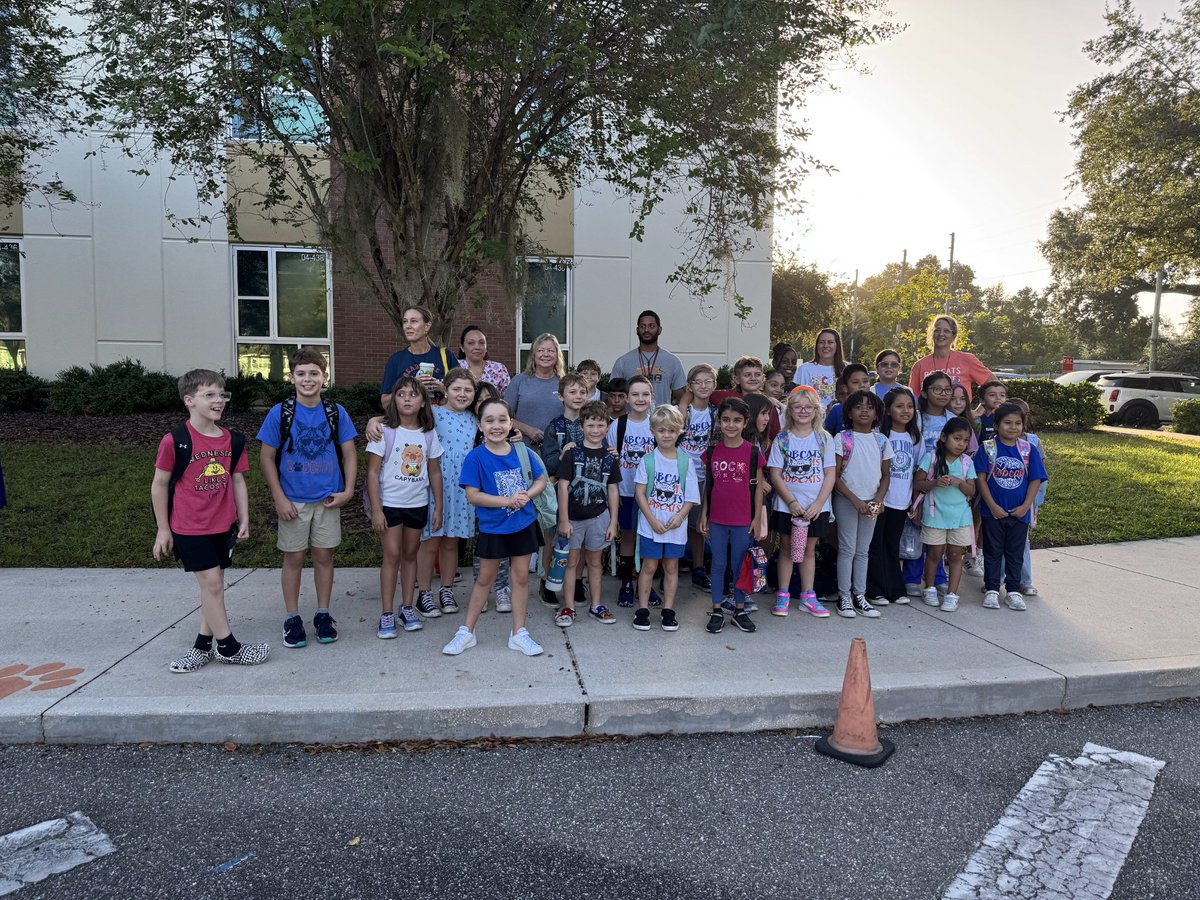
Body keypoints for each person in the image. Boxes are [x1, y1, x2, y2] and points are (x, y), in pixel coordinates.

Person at [151, 369, 268, 672]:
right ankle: (229, 648)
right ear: (189, 400)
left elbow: (238, 480)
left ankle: (202, 647)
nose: (219, 401)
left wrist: (243, 518)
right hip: (189, 527)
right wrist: (163, 529)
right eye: (209, 395)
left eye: (222, 394)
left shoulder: (233, 440)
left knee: (212, 589)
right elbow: (160, 484)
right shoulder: (175, 441)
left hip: (223, 525)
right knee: (213, 585)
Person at [257, 349, 358, 649]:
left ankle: (323, 614)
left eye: (314, 373)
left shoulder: (336, 412)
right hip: (294, 500)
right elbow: (266, 457)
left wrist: (349, 490)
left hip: (328, 498)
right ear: (291, 377)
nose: (308, 379)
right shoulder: (280, 412)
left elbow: (350, 453)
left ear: (325, 377)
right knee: (294, 558)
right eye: (301, 374)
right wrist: (279, 498)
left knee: (324, 557)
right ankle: (292, 617)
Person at [443, 398, 548, 657]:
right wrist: (508, 500)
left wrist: (528, 494)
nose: (496, 425)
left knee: (521, 578)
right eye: (489, 420)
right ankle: (467, 632)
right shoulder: (476, 457)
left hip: (523, 525)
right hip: (493, 528)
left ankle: (519, 633)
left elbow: (541, 480)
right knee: (484, 580)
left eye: (502, 419)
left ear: (511, 423)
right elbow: (473, 495)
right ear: (480, 425)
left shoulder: (522, 451)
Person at [366, 376, 444, 638]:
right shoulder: (384, 431)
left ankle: (407, 607)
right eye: (401, 394)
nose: (407, 399)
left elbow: (435, 473)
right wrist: (377, 510)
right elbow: (373, 473)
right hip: (390, 505)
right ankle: (387, 613)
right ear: (394, 400)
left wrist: (438, 508)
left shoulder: (429, 434)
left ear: (424, 402)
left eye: (413, 394)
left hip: (417, 504)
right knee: (392, 555)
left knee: (411, 555)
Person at [414, 368, 478, 618]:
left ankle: (447, 589)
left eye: (468, 390)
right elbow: (400, 419)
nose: (462, 394)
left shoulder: (475, 419)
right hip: (436, 484)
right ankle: (424, 593)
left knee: (452, 541)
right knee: (431, 540)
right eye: (457, 389)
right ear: (446, 390)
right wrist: (375, 422)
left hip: (462, 486)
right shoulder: (433, 414)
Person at [700, 397, 767, 634]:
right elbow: (710, 484)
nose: (731, 425)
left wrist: (756, 517)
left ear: (745, 422)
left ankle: (739, 610)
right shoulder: (711, 452)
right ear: (719, 421)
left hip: (742, 520)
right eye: (726, 420)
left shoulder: (752, 453)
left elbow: (758, 486)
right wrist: (704, 513)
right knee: (718, 564)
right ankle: (717, 609)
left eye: (737, 420)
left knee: (740, 566)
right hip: (717, 519)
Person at [768, 386, 836, 618]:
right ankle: (783, 594)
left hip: (815, 508)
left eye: (808, 407)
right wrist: (791, 501)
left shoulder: (824, 439)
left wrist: (818, 503)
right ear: (790, 411)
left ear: (816, 411)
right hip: (788, 506)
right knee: (787, 549)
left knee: (809, 550)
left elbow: (830, 473)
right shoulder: (783, 439)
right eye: (798, 407)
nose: (803, 411)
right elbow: (775, 473)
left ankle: (808, 595)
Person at [632, 405, 699, 632]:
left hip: (674, 527)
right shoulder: (648, 460)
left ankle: (668, 610)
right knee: (649, 567)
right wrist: (651, 519)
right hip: (651, 525)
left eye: (671, 430)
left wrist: (680, 516)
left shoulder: (685, 461)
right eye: (661, 430)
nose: (667, 435)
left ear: (679, 430)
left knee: (671, 568)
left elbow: (690, 496)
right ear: (653, 431)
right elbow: (640, 493)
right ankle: (642, 609)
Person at [975, 401, 1047, 612]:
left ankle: (1014, 590)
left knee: (1016, 553)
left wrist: (1026, 506)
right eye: (1007, 423)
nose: (1013, 427)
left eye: (1018, 423)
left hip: (1020, 513)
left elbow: (1036, 479)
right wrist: (991, 505)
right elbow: (980, 479)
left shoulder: (1028, 449)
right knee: (993, 551)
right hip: (993, 512)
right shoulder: (987, 449)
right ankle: (992, 589)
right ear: (996, 425)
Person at [555, 400, 621, 626]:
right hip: (572, 517)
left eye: (600, 425)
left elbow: (613, 489)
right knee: (571, 563)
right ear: (582, 427)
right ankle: (568, 607)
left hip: (599, 516)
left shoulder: (610, 457)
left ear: (607, 427)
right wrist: (563, 519)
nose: (595, 430)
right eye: (590, 425)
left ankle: (596, 605)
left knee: (595, 562)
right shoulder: (573, 454)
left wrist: (613, 521)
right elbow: (562, 486)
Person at [832, 390, 892, 620]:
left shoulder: (881, 440)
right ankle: (844, 597)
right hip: (848, 500)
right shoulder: (842, 439)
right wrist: (855, 500)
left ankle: (860, 596)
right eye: (858, 406)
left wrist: (878, 499)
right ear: (849, 412)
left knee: (863, 550)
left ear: (878, 413)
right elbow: (835, 476)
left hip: (872, 502)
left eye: (869, 406)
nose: (864, 410)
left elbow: (886, 474)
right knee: (847, 548)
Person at [913, 417, 977, 612]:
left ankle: (952, 594)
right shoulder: (931, 458)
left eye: (965, 441)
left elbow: (971, 491)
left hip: (960, 518)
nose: (961, 444)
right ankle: (930, 588)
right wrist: (934, 483)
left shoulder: (967, 462)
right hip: (935, 515)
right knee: (934, 554)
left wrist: (959, 481)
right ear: (943, 437)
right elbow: (918, 483)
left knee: (956, 554)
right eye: (957, 438)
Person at [866, 387, 921, 606]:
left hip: (901, 500)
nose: (906, 411)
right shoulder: (879, 435)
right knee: (875, 544)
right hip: (878, 499)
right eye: (899, 406)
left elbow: (918, 471)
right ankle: (875, 590)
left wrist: (915, 501)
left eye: (909, 406)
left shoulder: (915, 437)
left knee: (892, 545)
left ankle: (895, 589)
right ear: (887, 410)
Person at [538, 370, 590, 603]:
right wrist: (562, 455)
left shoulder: (593, 424)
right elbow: (546, 462)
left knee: (580, 540)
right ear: (561, 397)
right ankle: (547, 583)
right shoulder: (555, 426)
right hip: (559, 490)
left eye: (582, 392)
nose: (578, 396)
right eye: (572, 392)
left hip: (586, 491)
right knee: (553, 537)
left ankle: (577, 582)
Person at [903, 371, 955, 598]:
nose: (943, 394)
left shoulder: (953, 419)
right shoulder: (916, 418)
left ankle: (938, 576)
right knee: (917, 526)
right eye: (937, 389)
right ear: (924, 392)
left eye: (947, 389)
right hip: (919, 480)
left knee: (939, 529)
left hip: (945, 485)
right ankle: (912, 576)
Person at [607, 375, 657, 607]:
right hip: (626, 490)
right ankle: (627, 581)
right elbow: (610, 462)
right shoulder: (619, 425)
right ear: (626, 398)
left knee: (649, 538)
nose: (640, 399)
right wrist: (614, 493)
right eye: (635, 394)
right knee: (628, 536)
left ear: (652, 398)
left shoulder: (657, 425)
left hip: (651, 495)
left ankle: (647, 585)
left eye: (645, 394)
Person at [471, 381, 512, 612]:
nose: (484, 403)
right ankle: (482, 588)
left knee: (503, 547)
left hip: (505, 500)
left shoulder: (507, 433)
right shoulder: (472, 427)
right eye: (479, 400)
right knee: (482, 545)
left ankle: (501, 587)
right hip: (478, 495)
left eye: (489, 398)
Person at [678, 363, 719, 591]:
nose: (703, 386)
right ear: (689, 386)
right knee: (676, 522)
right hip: (680, 473)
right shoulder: (681, 411)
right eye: (697, 382)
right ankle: (670, 567)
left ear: (714, 385)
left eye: (708, 381)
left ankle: (698, 568)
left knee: (697, 526)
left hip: (704, 474)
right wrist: (683, 403)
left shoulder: (715, 412)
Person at [379, 304, 460, 408]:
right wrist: (412, 387)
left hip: (442, 420)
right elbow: (385, 403)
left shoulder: (445, 356)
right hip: (411, 421)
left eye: (413, 321)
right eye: (405, 321)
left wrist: (442, 388)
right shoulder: (396, 360)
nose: (408, 326)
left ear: (427, 326)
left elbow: (463, 392)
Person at [608, 310, 687, 407]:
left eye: (651, 326)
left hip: (662, 419)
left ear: (659, 329)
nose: (646, 330)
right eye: (642, 326)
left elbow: (681, 395)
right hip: (631, 419)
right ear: (637, 330)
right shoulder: (623, 362)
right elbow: (614, 395)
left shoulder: (673, 361)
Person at [908, 314, 993, 402]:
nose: (941, 334)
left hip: (960, 415)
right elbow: (912, 400)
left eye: (946, 331)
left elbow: (995, 386)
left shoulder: (967, 360)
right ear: (932, 334)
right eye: (937, 330)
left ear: (954, 336)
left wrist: (978, 411)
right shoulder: (919, 365)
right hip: (928, 415)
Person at [508, 332, 565, 448]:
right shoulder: (519, 381)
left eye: (550, 351)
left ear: (557, 355)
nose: (546, 354)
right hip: (523, 448)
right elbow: (504, 417)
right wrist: (528, 430)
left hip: (557, 450)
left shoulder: (564, 383)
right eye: (540, 350)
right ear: (533, 355)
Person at [710, 355, 781, 438]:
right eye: (747, 375)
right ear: (737, 379)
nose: (753, 378)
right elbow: (705, 394)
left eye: (757, 375)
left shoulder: (768, 405)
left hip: (759, 448)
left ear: (763, 378)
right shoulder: (728, 397)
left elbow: (775, 435)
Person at [792, 328, 846, 409]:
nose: (825, 346)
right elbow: (795, 398)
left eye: (830, 342)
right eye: (822, 342)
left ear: (837, 345)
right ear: (817, 345)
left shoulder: (847, 368)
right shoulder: (804, 369)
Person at [459, 325, 510, 397]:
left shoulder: (499, 369)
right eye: (471, 343)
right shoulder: (455, 366)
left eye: (481, 343)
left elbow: (507, 399)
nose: (477, 347)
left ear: (486, 347)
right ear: (462, 347)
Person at [824, 364, 872, 437]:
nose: (862, 385)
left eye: (865, 381)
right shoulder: (837, 410)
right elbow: (826, 435)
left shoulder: (876, 407)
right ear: (846, 387)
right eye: (855, 382)